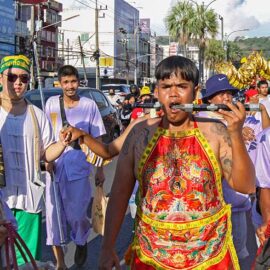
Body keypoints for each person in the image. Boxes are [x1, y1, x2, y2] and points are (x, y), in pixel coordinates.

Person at [98, 55, 255, 269]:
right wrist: (107, 248)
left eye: (182, 86)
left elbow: (245, 185)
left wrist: (235, 134)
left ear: (195, 91)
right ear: (156, 92)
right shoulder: (138, 135)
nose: (173, 93)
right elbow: (119, 195)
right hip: (151, 256)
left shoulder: (216, 132)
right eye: (166, 86)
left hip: (209, 257)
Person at [0, 55, 70, 265]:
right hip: (2, 199)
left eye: (23, 78)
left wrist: (62, 144)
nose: (18, 83)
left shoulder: (36, 115)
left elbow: (45, 153)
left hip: (29, 201)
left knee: (26, 262)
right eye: (12, 77)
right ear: (1, 78)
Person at [45, 65, 106, 269]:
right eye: (66, 82)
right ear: (60, 83)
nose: (70, 86)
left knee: (77, 215)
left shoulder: (89, 105)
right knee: (54, 219)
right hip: (55, 165)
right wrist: (47, 160)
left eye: (73, 81)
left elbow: (97, 138)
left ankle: (81, 241)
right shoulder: (52, 103)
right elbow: (46, 136)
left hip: (79, 166)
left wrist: (100, 169)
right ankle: (60, 263)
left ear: (79, 82)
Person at [199, 74, 253, 264]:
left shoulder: (234, 119)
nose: (226, 98)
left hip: (236, 203)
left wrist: (238, 131)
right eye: (220, 94)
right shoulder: (203, 121)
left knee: (236, 256)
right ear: (209, 99)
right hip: (212, 208)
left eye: (229, 93)